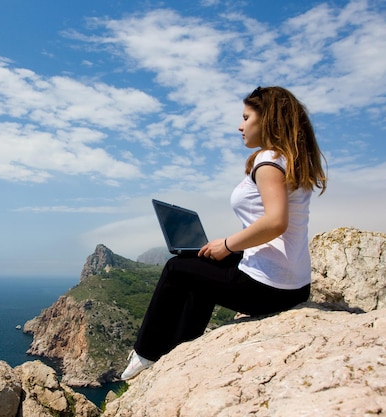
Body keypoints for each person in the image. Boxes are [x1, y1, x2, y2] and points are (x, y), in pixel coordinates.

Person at [121, 86, 327, 380]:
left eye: (246, 117)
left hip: (269, 287)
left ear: (266, 119)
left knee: (177, 268)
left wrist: (228, 245)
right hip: (294, 284)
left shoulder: (268, 161)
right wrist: (224, 248)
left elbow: (276, 222)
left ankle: (146, 353)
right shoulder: (288, 159)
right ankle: (182, 347)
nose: (240, 126)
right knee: (204, 266)